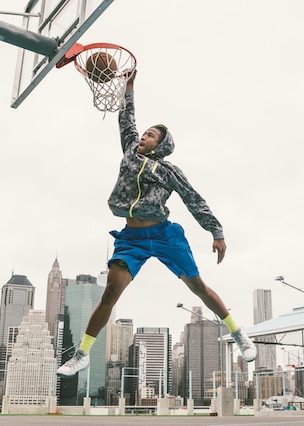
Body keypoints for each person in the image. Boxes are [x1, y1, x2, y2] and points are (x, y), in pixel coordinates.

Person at [57, 70, 256, 377]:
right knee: (111, 291)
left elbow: (193, 198)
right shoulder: (130, 151)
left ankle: (238, 332)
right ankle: (82, 353)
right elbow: (127, 117)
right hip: (131, 239)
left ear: (159, 146)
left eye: (150, 135)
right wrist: (130, 86)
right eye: (144, 133)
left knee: (199, 287)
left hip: (165, 235)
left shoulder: (168, 171)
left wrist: (216, 231)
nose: (142, 136)